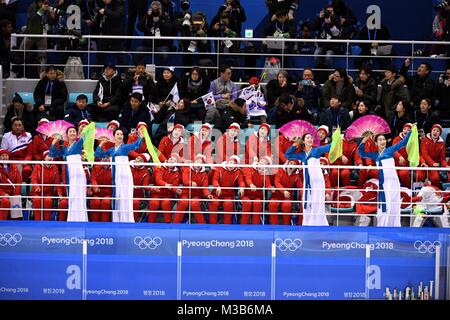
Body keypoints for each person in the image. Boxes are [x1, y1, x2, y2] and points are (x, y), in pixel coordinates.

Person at [358, 127, 414, 227]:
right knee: (384, 206)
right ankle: (383, 226)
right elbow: (361, 153)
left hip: (393, 182)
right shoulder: (374, 155)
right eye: (380, 140)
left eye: (384, 139)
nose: (382, 141)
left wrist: (411, 131)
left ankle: (394, 226)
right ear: (376, 143)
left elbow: (403, 143)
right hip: (383, 184)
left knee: (394, 205)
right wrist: (364, 140)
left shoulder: (390, 150)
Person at [94, 127, 144, 222]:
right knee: (117, 197)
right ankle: (117, 220)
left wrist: (140, 137)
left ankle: (127, 220)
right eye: (117, 134)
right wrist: (102, 143)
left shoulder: (125, 147)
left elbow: (136, 145)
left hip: (125, 176)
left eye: (121, 134)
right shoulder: (111, 150)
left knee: (125, 197)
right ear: (113, 136)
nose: (120, 136)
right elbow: (98, 154)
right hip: (116, 176)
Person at [285, 133, 332, 226]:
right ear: (303, 141)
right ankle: (308, 224)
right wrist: (295, 144)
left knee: (317, 202)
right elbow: (288, 155)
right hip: (308, 182)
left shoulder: (316, 151)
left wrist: (337, 137)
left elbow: (329, 147)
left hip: (318, 181)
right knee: (308, 202)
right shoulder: (302, 155)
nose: (310, 139)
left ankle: (319, 224)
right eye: (308, 138)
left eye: (311, 138)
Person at [49, 126, 88, 222]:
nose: (72, 133)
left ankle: (82, 219)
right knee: (72, 195)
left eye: (74, 131)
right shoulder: (65, 148)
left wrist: (83, 129)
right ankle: (72, 219)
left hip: (78, 173)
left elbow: (86, 135)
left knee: (79, 195)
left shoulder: (79, 143)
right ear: (66, 135)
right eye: (70, 132)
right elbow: (52, 154)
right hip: (69, 174)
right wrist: (54, 142)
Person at [174, 154, 213, 224]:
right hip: (185, 193)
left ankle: (202, 225)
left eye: (201, 162)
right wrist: (191, 183)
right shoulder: (187, 169)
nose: (198, 164)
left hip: (197, 195)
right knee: (183, 202)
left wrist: (208, 195)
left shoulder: (204, 174)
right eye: (197, 161)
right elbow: (185, 181)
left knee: (194, 203)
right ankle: (176, 224)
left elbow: (205, 188)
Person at [31, 150, 66, 221]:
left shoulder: (55, 168)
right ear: (44, 157)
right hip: (37, 192)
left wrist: (60, 194)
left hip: (48, 193)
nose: (50, 157)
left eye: (52, 156)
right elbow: (34, 179)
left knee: (48, 201)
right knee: (37, 200)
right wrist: (37, 187)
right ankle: (38, 221)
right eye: (48, 156)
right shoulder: (37, 166)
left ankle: (47, 222)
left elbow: (57, 183)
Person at [209, 155, 245, 224]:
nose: (231, 165)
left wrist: (242, 187)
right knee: (214, 203)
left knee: (228, 204)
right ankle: (212, 225)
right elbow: (214, 179)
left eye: (234, 164)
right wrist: (217, 186)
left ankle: (227, 226)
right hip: (217, 193)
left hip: (229, 195)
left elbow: (241, 181)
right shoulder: (219, 169)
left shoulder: (238, 172)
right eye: (230, 162)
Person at [241, 156, 274, 224]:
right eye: (261, 161)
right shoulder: (250, 169)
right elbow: (248, 178)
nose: (261, 163)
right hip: (247, 194)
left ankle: (255, 225)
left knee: (257, 203)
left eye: (264, 162)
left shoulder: (265, 174)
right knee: (247, 203)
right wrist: (251, 184)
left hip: (257, 195)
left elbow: (267, 184)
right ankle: (243, 225)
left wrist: (271, 188)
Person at [149, 153, 182, 223]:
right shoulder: (159, 167)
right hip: (156, 192)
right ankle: (150, 223)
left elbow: (175, 185)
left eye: (175, 160)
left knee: (166, 203)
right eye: (171, 159)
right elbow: (158, 180)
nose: (172, 161)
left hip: (167, 194)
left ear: (176, 164)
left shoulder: (177, 174)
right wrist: (166, 185)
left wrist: (175, 190)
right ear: (167, 160)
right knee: (154, 203)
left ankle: (168, 223)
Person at [269, 159, 302, 225]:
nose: (291, 165)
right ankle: (273, 225)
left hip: (287, 197)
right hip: (276, 195)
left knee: (287, 205)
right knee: (272, 204)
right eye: (291, 163)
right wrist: (283, 191)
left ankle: (286, 225)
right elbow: (276, 182)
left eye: (294, 164)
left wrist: (303, 196)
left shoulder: (296, 176)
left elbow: (301, 187)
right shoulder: (280, 170)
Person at [1, 118, 33, 182]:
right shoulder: (6, 136)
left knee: (27, 170)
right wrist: (10, 164)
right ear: (12, 126)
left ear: (23, 127)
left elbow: (29, 153)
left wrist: (24, 163)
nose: (17, 127)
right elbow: (3, 153)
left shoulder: (28, 135)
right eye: (15, 125)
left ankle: (23, 189)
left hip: (24, 161)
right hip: (10, 161)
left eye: (19, 125)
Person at [90, 155, 113, 222]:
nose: (105, 159)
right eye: (103, 158)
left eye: (107, 158)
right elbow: (93, 178)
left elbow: (114, 183)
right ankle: (95, 223)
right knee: (95, 202)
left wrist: (102, 190)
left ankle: (104, 224)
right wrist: (95, 187)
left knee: (105, 202)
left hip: (108, 193)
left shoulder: (114, 169)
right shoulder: (96, 167)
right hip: (97, 193)